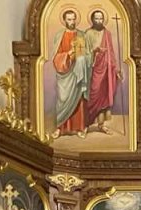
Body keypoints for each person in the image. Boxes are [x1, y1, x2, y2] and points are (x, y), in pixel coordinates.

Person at [51, 8, 90, 136]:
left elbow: (85, 55)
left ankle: (80, 127)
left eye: (73, 19)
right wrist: (67, 54)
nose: (72, 22)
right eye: (69, 19)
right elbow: (56, 57)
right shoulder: (59, 35)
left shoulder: (81, 35)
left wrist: (80, 58)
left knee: (78, 100)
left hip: (77, 72)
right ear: (64, 20)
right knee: (63, 99)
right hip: (64, 73)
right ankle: (60, 128)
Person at [84, 8, 121, 134]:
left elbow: (111, 52)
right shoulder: (87, 33)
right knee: (93, 96)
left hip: (106, 69)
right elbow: (83, 53)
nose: (99, 21)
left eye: (101, 18)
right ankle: (86, 124)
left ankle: (101, 125)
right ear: (92, 19)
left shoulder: (107, 33)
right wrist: (95, 51)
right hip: (93, 69)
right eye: (97, 18)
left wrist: (115, 69)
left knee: (104, 96)